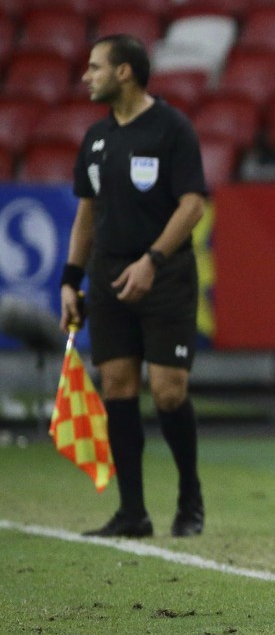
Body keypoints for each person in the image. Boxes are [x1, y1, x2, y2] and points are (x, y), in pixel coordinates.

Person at [59, 34, 208, 539]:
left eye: (96, 66)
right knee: (117, 386)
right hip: (107, 276)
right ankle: (132, 513)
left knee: (168, 391)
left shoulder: (171, 129)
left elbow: (193, 205)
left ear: (124, 72)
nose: (87, 76)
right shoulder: (96, 140)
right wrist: (69, 280)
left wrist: (152, 260)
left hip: (164, 276)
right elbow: (86, 213)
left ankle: (190, 500)